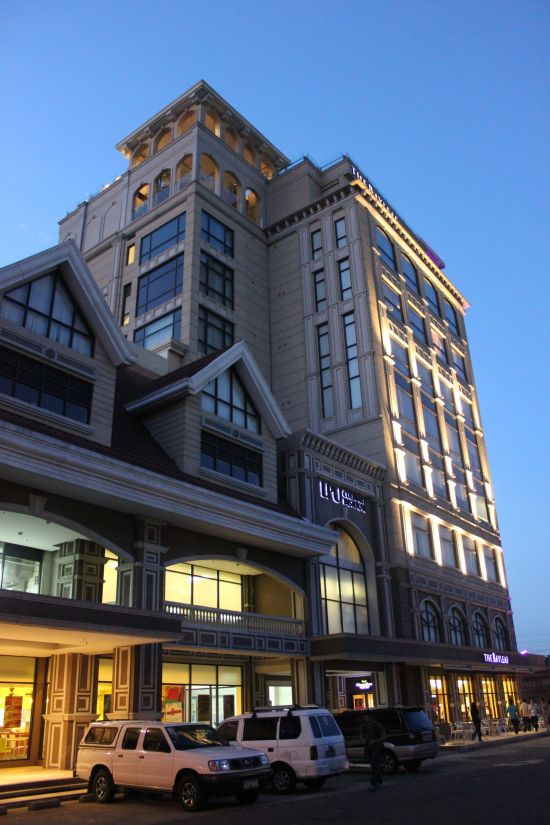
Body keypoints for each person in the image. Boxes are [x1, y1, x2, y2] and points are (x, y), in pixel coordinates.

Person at [361, 713, 386, 792]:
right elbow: (361, 735)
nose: (365, 719)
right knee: (373, 765)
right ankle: (379, 780)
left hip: (377, 747)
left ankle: (373, 783)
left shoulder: (377, 725)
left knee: (375, 764)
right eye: (364, 717)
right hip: (368, 747)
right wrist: (363, 740)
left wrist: (375, 741)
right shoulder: (364, 726)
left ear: (370, 717)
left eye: (366, 717)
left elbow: (383, 736)